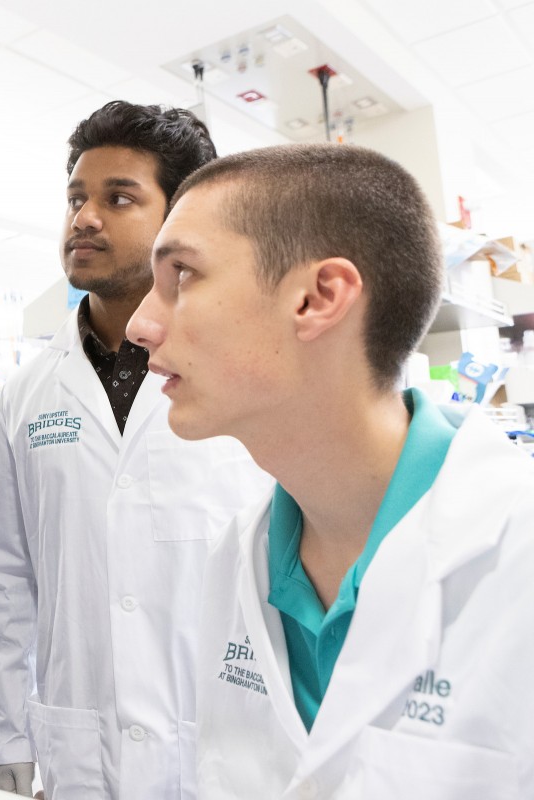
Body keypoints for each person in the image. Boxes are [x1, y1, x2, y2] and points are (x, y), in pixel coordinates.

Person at [126, 142, 534, 798]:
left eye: (183, 277)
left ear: (318, 298)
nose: (143, 323)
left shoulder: (516, 551)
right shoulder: (237, 557)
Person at [0, 102, 271, 800]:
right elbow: (8, 580)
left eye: (118, 198)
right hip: (81, 749)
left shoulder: (248, 373)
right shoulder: (30, 391)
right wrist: (8, 733)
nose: (84, 216)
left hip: (226, 746)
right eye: (77, 197)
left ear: (180, 219)